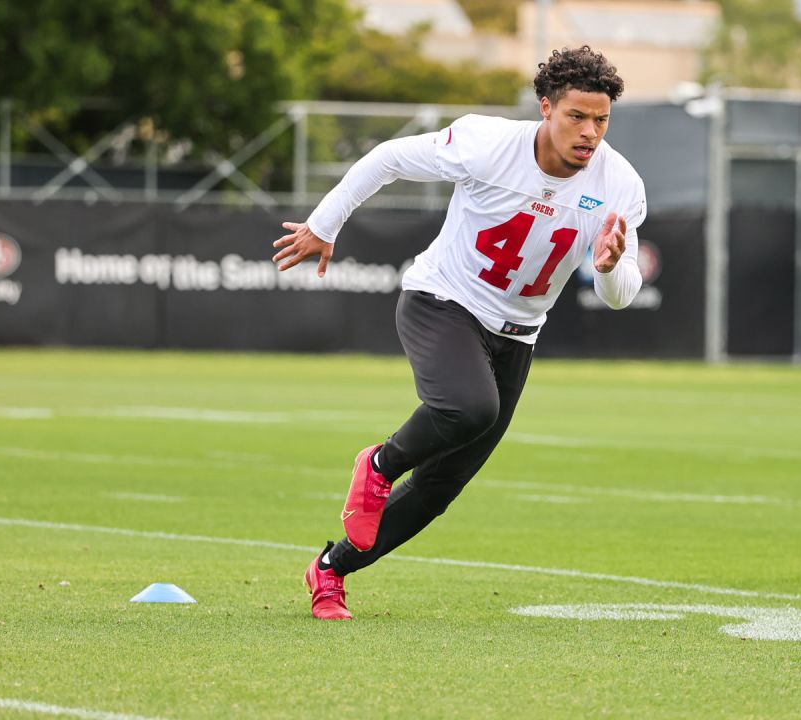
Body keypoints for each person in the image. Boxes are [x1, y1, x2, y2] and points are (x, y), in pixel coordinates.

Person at [271, 46, 646, 620]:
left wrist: (610, 264)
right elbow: (389, 157)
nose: (589, 133)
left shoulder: (619, 183)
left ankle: (330, 570)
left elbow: (619, 297)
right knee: (472, 407)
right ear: (545, 107)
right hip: (443, 301)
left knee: (440, 488)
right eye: (577, 116)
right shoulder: (487, 142)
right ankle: (377, 466)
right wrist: (324, 224)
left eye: (601, 120)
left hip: (518, 334)